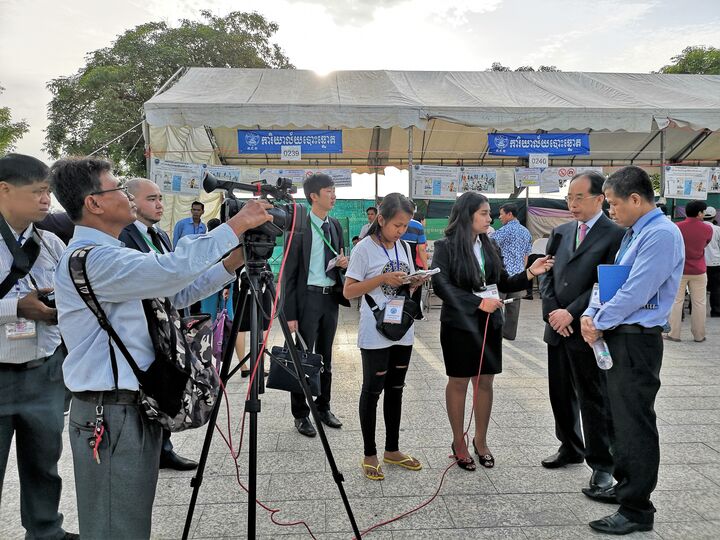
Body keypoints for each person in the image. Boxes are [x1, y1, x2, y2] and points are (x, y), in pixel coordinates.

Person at [50, 157, 271, 539]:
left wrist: (234, 260)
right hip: (110, 412)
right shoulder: (93, 258)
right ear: (94, 203)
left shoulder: (114, 254)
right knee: (115, 526)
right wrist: (236, 226)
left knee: (130, 520)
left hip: (132, 407)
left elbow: (176, 290)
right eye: (118, 188)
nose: (129, 197)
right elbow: (170, 271)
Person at [581, 166, 684, 535]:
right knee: (616, 418)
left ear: (636, 199)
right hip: (616, 334)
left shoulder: (661, 235)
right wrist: (592, 313)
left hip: (636, 339)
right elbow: (609, 280)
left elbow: (636, 291)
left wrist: (598, 320)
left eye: (612, 204)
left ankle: (638, 508)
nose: (610, 210)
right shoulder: (634, 233)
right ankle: (625, 487)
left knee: (634, 422)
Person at [431, 192, 553, 471]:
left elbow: (502, 282)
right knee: (459, 381)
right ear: (467, 215)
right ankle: (458, 443)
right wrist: (477, 302)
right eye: (484, 213)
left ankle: (481, 441)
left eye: (490, 213)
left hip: (489, 323)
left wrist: (530, 273)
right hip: (459, 324)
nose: (490, 218)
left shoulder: (490, 245)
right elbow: (442, 287)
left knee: (485, 381)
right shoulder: (445, 246)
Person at [0, 154, 78, 540]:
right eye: (38, 191)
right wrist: (16, 307)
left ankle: (47, 531)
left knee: (44, 463)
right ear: (5, 190)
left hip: (44, 370)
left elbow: (73, 292)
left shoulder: (49, 243)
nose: (47, 200)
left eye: (48, 191)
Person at [539, 172, 624, 500]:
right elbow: (545, 274)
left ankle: (602, 465)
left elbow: (604, 284)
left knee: (593, 397)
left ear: (599, 198)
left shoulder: (615, 235)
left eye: (578, 197)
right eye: (568, 198)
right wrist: (552, 312)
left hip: (586, 327)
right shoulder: (560, 232)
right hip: (557, 327)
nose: (571, 204)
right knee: (559, 392)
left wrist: (570, 312)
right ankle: (570, 446)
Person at [118, 177, 201, 471]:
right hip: (142, 324)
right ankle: (156, 449)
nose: (159, 204)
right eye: (151, 199)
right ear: (130, 201)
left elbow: (175, 278)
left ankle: (165, 448)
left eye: (160, 198)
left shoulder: (161, 235)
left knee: (169, 382)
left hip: (168, 321)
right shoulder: (123, 236)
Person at [344, 193, 428, 480]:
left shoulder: (404, 247)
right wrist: (382, 279)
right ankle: (370, 453)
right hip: (375, 330)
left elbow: (402, 281)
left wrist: (413, 281)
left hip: (401, 328)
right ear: (381, 220)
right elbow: (349, 291)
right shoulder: (364, 249)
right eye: (397, 225)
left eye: (405, 226)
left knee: (396, 389)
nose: (401, 231)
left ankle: (392, 449)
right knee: (372, 390)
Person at [284, 173, 350, 437]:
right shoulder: (299, 227)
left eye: (334, 191)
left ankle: (323, 407)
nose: (334, 195)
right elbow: (288, 274)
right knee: (303, 358)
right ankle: (301, 414)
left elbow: (338, 258)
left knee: (325, 357)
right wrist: (289, 313)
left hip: (329, 298)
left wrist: (342, 265)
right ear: (313, 196)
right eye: (329, 191)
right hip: (306, 299)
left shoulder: (334, 225)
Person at [666, 200, 713, 342]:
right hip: (699, 270)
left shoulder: (677, 227)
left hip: (679, 270)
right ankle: (699, 335)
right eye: (703, 211)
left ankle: (674, 334)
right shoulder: (707, 229)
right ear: (700, 213)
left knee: (676, 301)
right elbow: (706, 244)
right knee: (699, 303)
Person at [490, 203, 532, 340]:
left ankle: (496, 332)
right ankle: (509, 334)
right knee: (514, 308)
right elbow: (526, 256)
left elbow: (489, 245)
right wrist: (521, 270)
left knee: (496, 305)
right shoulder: (526, 232)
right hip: (519, 275)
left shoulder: (504, 230)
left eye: (501, 214)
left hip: (503, 275)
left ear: (509, 214)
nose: (500, 217)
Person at [704, 206, 720, 317]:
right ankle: (716, 310)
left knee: (696, 289)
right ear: (714, 216)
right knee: (716, 288)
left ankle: (693, 309)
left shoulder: (698, 228)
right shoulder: (718, 229)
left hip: (699, 262)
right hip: (715, 262)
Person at [523, 235, 549, 300]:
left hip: (531, 257)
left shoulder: (537, 241)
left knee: (529, 274)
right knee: (541, 275)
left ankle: (529, 294)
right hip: (542, 257)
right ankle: (542, 294)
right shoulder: (549, 241)